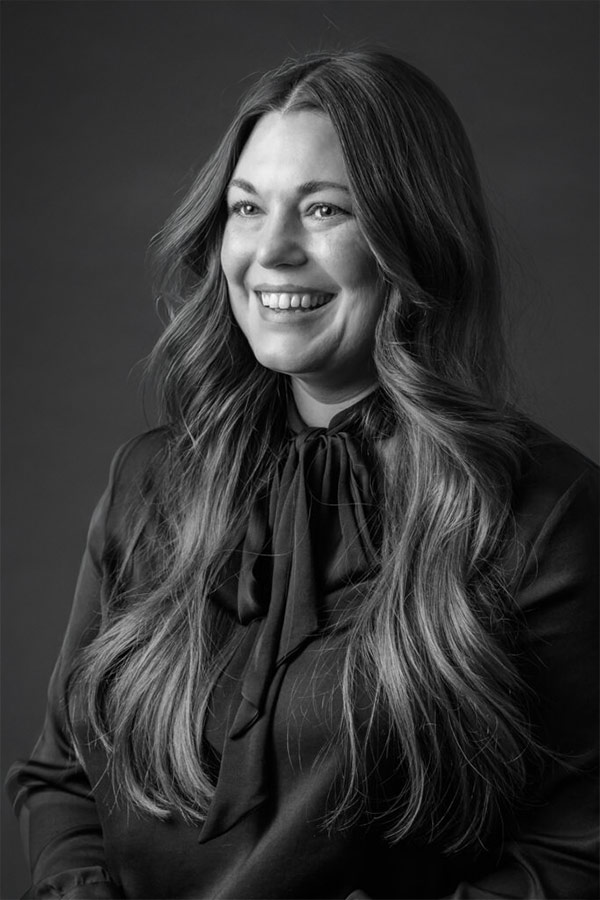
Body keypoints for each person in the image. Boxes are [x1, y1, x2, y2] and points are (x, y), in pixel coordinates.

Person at [6, 49, 598, 900]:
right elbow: (59, 777)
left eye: (324, 209)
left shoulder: (543, 514)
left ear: (414, 235)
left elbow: (576, 847)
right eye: (247, 208)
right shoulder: (149, 481)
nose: (272, 250)